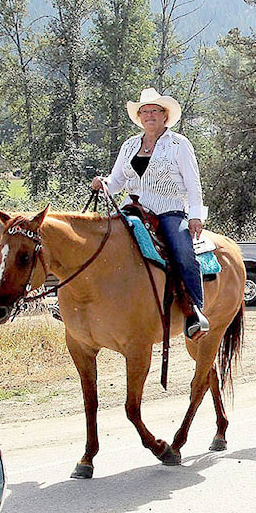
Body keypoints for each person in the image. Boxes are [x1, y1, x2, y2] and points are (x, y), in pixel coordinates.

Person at [91, 87, 209, 340]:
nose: (149, 115)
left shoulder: (179, 144)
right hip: (131, 209)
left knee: (183, 251)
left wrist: (196, 215)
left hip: (168, 210)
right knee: (100, 242)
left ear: (165, 115)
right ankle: (91, 302)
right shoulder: (130, 145)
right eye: (145, 112)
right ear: (140, 117)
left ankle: (194, 311)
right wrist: (103, 183)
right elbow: (116, 181)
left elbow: (193, 183)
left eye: (154, 111)